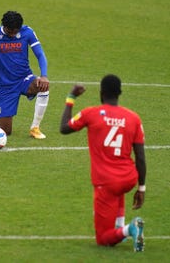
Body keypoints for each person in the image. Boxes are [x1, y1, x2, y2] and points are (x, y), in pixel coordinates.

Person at [59, 74, 146, 252]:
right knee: (118, 190)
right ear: (119, 93)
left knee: (102, 239)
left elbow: (64, 128)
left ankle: (130, 229)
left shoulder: (91, 113)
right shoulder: (133, 118)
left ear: (101, 93)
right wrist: (141, 188)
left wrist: (71, 98)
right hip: (128, 178)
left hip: (106, 182)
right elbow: (141, 156)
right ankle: (121, 230)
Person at [0, 11, 50, 139]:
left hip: (25, 78)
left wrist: (44, 75)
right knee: (5, 132)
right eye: (10, 31)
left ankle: (35, 128)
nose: (13, 34)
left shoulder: (27, 32)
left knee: (43, 85)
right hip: (6, 86)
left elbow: (40, 54)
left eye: (15, 31)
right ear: (4, 26)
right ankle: (2, 121)